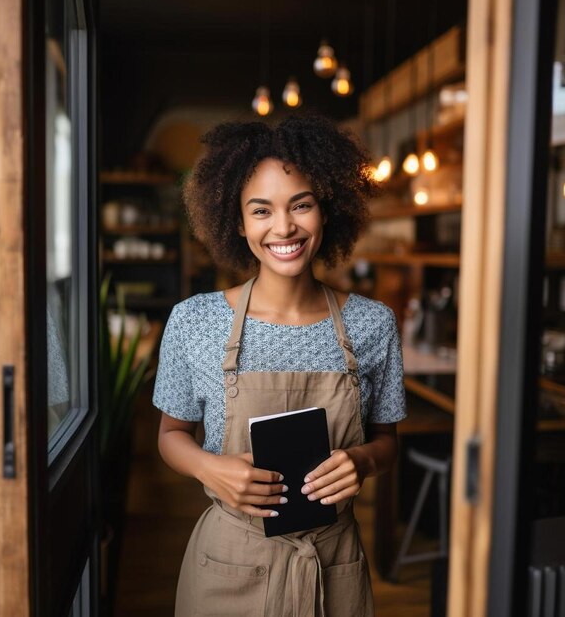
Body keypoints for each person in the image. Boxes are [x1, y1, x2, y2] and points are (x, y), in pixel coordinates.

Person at [154, 115, 406, 616]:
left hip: (332, 567)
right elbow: (169, 436)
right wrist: (212, 468)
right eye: (261, 210)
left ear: (327, 210)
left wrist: (363, 461)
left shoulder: (373, 324)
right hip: (227, 565)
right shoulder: (194, 321)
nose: (284, 227)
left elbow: (387, 442)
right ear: (239, 221)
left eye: (301, 205)